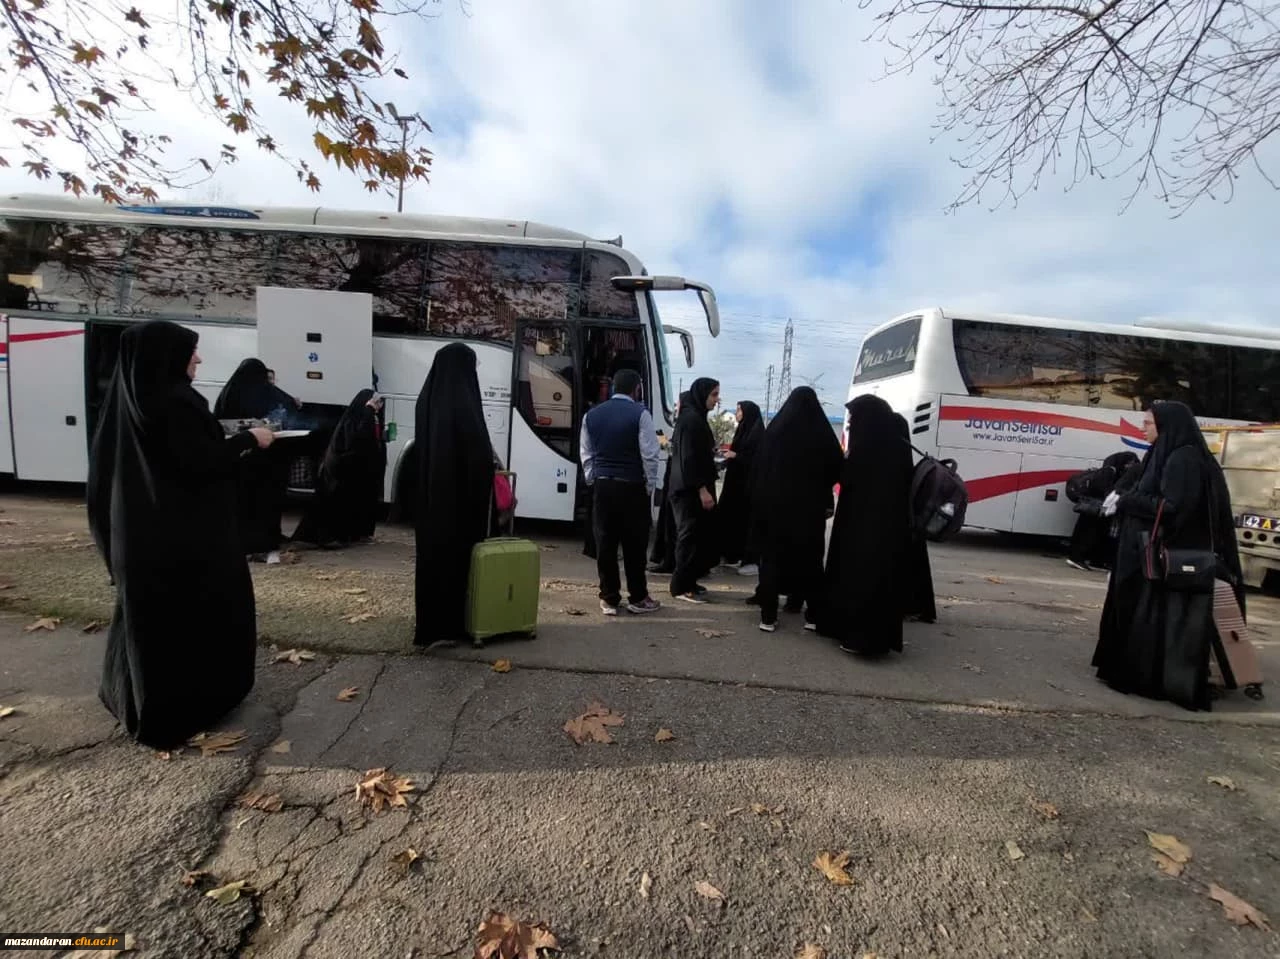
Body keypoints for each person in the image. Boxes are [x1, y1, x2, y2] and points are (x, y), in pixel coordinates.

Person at [87, 320, 274, 748]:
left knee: (148, 626)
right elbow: (202, 463)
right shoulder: (174, 403)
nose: (199, 359)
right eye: (192, 352)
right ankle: (183, 710)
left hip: (139, 539)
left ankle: (138, 703)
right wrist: (249, 439)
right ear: (167, 357)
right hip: (187, 543)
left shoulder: (126, 405)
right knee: (195, 622)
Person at [1091, 401, 1246, 711]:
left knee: (1150, 618)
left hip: (1161, 556)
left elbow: (1174, 507)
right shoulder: (1164, 453)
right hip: (1142, 551)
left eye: (1148, 423)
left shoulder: (1183, 458)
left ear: (1167, 426)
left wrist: (1129, 501)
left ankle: (1146, 678)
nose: (1143, 429)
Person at [815, 394, 914, 655]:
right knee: (879, 583)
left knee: (858, 580)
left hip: (859, 531)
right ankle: (872, 639)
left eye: (854, 419)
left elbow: (847, 478)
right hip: (888, 532)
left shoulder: (865, 449)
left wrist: (844, 460)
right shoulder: (896, 445)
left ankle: (858, 638)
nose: (851, 425)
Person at [412, 343, 496, 648]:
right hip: (460, 504)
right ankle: (453, 626)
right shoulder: (464, 404)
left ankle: (429, 627)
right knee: (458, 564)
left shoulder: (427, 399)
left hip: (431, 501)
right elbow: (479, 456)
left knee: (431, 562)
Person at [749, 387, 844, 632]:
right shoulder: (822, 433)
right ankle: (813, 616)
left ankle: (768, 617)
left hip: (774, 509)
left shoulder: (775, 432)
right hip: (809, 511)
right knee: (811, 562)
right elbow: (837, 468)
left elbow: (758, 468)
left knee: (771, 560)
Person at [580, 369, 662, 616]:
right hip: (632, 486)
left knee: (605, 544)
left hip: (603, 486)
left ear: (614, 387)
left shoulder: (591, 415)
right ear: (637, 389)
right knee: (635, 546)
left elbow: (586, 452)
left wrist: (593, 479)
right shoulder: (641, 414)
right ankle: (638, 597)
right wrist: (649, 486)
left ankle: (609, 598)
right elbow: (650, 455)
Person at [214, 358, 297, 561]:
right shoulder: (263, 393)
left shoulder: (228, 394)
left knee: (241, 503)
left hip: (237, 459)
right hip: (263, 461)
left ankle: (243, 544)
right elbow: (286, 405)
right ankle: (263, 544)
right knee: (264, 503)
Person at [291, 389, 387, 547]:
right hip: (343, 465)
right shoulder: (356, 418)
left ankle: (351, 534)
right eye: (376, 402)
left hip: (359, 466)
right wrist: (368, 410)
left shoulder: (373, 417)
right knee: (333, 502)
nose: (378, 405)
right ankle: (323, 537)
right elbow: (356, 437)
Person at [668, 378, 720, 603]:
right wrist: (702, 490)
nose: (717, 400)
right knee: (688, 537)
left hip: (691, 488)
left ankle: (689, 580)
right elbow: (689, 459)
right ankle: (681, 587)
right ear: (702, 394)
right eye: (714, 394)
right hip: (688, 490)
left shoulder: (695, 417)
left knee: (696, 537)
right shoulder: (691, 420)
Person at [895, 413, 938, 624]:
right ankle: (918, 607)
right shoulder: (905, 465)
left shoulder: (890, 468)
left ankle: (911, 606)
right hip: (911, 525)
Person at [1065, 451, 1140, 571]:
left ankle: (1092, 559)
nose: (1129, 466)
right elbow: (1106, 490)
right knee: (1088, 532)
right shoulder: (1109, 471)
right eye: (1129, 463)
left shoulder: (1110, 469)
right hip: (1096, 508)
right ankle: (1077, 558)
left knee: (1093, 532)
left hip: (1094, 507)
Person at [717, 400, 765, 575]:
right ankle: (731, 554)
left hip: (748, 486)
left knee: (744, 520)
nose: (737, 413)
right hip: (735, 484)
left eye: (739, 410)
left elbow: (756, 459)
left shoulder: (757, 434)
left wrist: (736, 455)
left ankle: (748, 559)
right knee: (731, 518)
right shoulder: (743, 430)